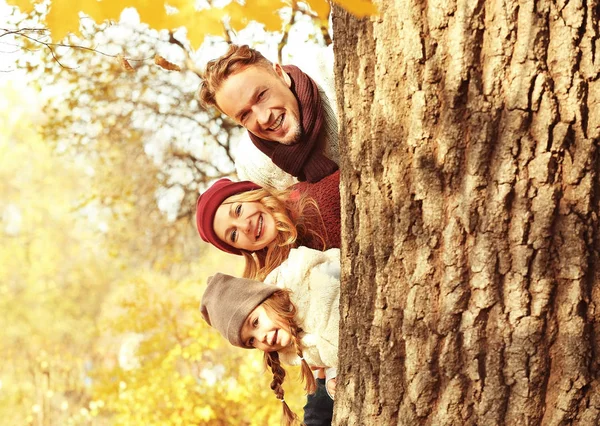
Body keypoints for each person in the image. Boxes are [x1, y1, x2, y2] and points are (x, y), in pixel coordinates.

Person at [201, 246, 340, 425]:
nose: (261, 338)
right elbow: (331, 357)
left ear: (267, 300)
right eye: (251, 341)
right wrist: (332, 377)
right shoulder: (293, 349)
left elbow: (338, 334)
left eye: (256, 322)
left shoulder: (312, 285)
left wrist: (332, 370)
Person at [198, 44, 339, 188]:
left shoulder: (332, 68)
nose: (264, 118)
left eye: (261, 96)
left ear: (280, 74)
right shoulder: (253, 167)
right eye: (245, 115)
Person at [195, 170, 340, 281]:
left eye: (238, 210)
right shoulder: (277, 280)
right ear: (241, 249)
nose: (245, 226)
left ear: (251, 196)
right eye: (233, 234)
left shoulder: (315, 200)